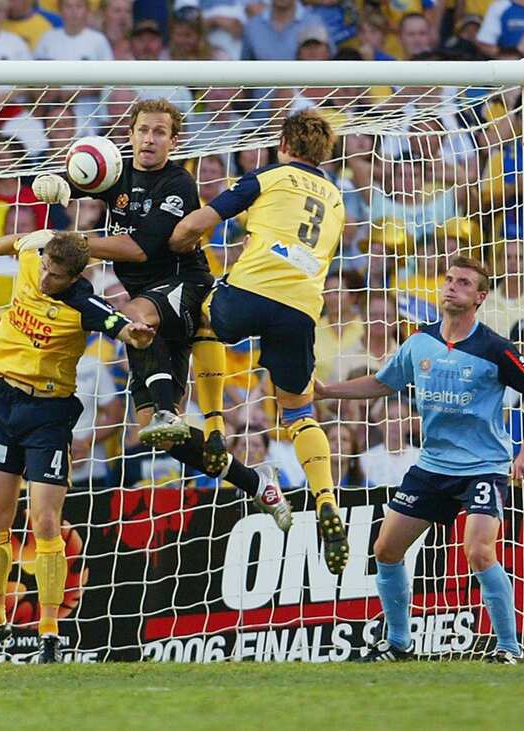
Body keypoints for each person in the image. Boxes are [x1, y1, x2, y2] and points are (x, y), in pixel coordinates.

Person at [30, 99, 292, 528]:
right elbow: (81, 178)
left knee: (133, 316)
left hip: (185, 287)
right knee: (156, 431)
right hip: (149, 302)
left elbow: (138, 249)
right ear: (130, 134)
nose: (149, 139)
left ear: (174, 141)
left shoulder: (178, 184)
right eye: (143, 130)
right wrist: (55, 184)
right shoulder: (116, 171)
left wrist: (69, 241)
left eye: (159, 132)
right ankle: (254, 481)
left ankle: (171, 409)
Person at [316, 257, 524, 664]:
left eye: (464, 283)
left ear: (480, 297)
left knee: (479, 551)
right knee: (386, 549)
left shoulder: (496, 348)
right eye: (449, 279)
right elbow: (382, 383)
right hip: (432, 466)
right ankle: (398, 644)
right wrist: (326, 391)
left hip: (483, 467)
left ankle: (509, 649)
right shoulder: (419, 342)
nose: (452, 287)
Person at [0, 231, 155, 663]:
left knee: (45, 521)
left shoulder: (84, 304)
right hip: (2, 401)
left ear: (75, 276)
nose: (45, 279)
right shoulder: (33, 258)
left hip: (47, 415)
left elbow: (118, 325)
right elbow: (16, 242)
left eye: (56, 276)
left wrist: (135, 335)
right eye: (45, 268)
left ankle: (49, 632)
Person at [169, 110, 349, 574]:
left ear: (283, 144)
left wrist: (173, 243)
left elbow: (199, 222)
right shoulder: (336, 198)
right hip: (302, 308)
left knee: (203, 318)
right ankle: (326, 499)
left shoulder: (267, 176)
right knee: (298, 412)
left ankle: (213, 428)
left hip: (252, 289)